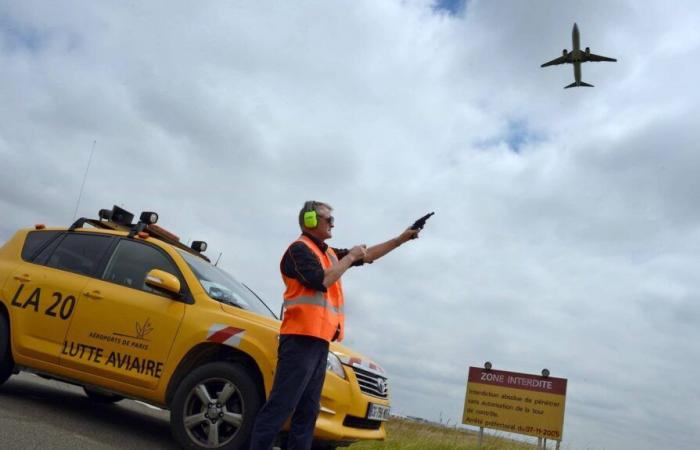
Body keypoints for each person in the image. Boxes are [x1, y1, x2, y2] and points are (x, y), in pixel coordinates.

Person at [249, 201, 420, 450]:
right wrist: (350, 256)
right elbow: (322, 280)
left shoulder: (327, 253)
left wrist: (400, 239)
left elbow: (367, 255)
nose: (333, 223)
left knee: (308, 411)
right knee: (281, 406)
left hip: (318, 343)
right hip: (299, 340)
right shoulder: (299, 250)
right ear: (309, 221)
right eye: (328, 219)